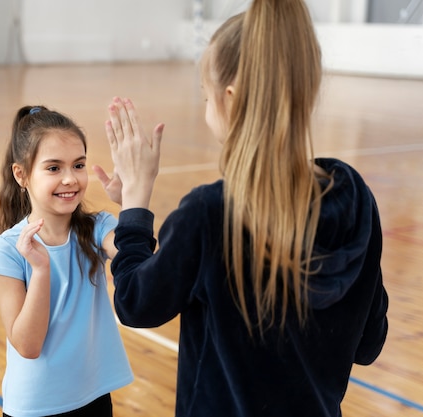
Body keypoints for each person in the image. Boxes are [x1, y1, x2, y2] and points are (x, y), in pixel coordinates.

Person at [92, 0, 389, 416]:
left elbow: (137, 303)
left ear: (230, 99)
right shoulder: (356, 200)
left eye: (206, 98)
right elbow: (369, 344)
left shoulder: (209, 214)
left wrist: (135, 210)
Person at [0, 105, 133, 417]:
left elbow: (140, 260)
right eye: (53, 168)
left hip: (94, 396)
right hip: (36, 407)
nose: (70, 179)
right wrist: (41, 268)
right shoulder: (6, 251)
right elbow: (28, 345)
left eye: (78, 165)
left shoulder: (98, 227)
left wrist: (131, 201)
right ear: (21, 174)